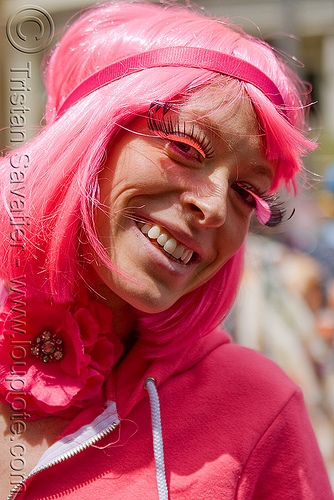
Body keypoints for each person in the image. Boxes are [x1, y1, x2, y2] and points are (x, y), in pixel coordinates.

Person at [0, 2, 332, 498]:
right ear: (92, 135)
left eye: (248, 193)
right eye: (187, 147)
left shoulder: (257, 407)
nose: (217, 208)